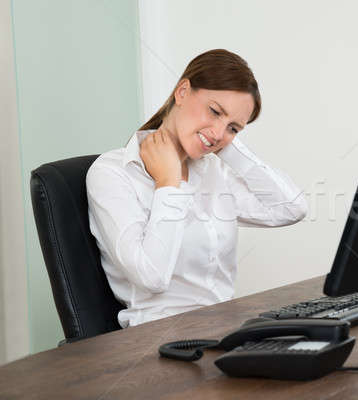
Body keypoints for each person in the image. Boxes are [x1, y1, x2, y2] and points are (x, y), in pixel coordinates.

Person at [86, 49, 307, 328]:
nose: (218, 131)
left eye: (234, 127)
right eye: (214, 111)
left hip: (223, 331)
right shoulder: (113, 172)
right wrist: (168, 183)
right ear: (182, 91)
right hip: (155, 340)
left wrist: (225, 145)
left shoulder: (215, 170)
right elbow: (152, 277)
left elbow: (292, 208)